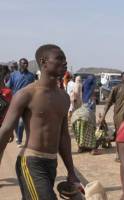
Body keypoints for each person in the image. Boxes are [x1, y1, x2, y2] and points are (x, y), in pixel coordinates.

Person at [0, 44, 82, 199]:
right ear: (44, 62)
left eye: (65, 59)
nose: (65, 63)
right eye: (59, 58)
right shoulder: (26, 94)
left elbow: (63, 136)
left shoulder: (64, 97)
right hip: (30, 162)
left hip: (51, 163)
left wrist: (71, 172)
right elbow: (5, 130)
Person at [100, 72, 124, 161]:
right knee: (119, 135)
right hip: (119, 116)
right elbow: (108, 103)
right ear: (121, 78)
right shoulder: (116, 89)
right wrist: (103, 116)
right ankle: (118, 154)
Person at [6, 58, 35, 147]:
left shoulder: (31, 76)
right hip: (15, 101)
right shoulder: (13, 75)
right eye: (24, 63)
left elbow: (34, 88)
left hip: (27, 102)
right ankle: (18, 135)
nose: (26, 65)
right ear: (20, 64)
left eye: (26, 63)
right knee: (15, 122)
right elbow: (8, 87)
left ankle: (20, 140)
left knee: (23, 122)